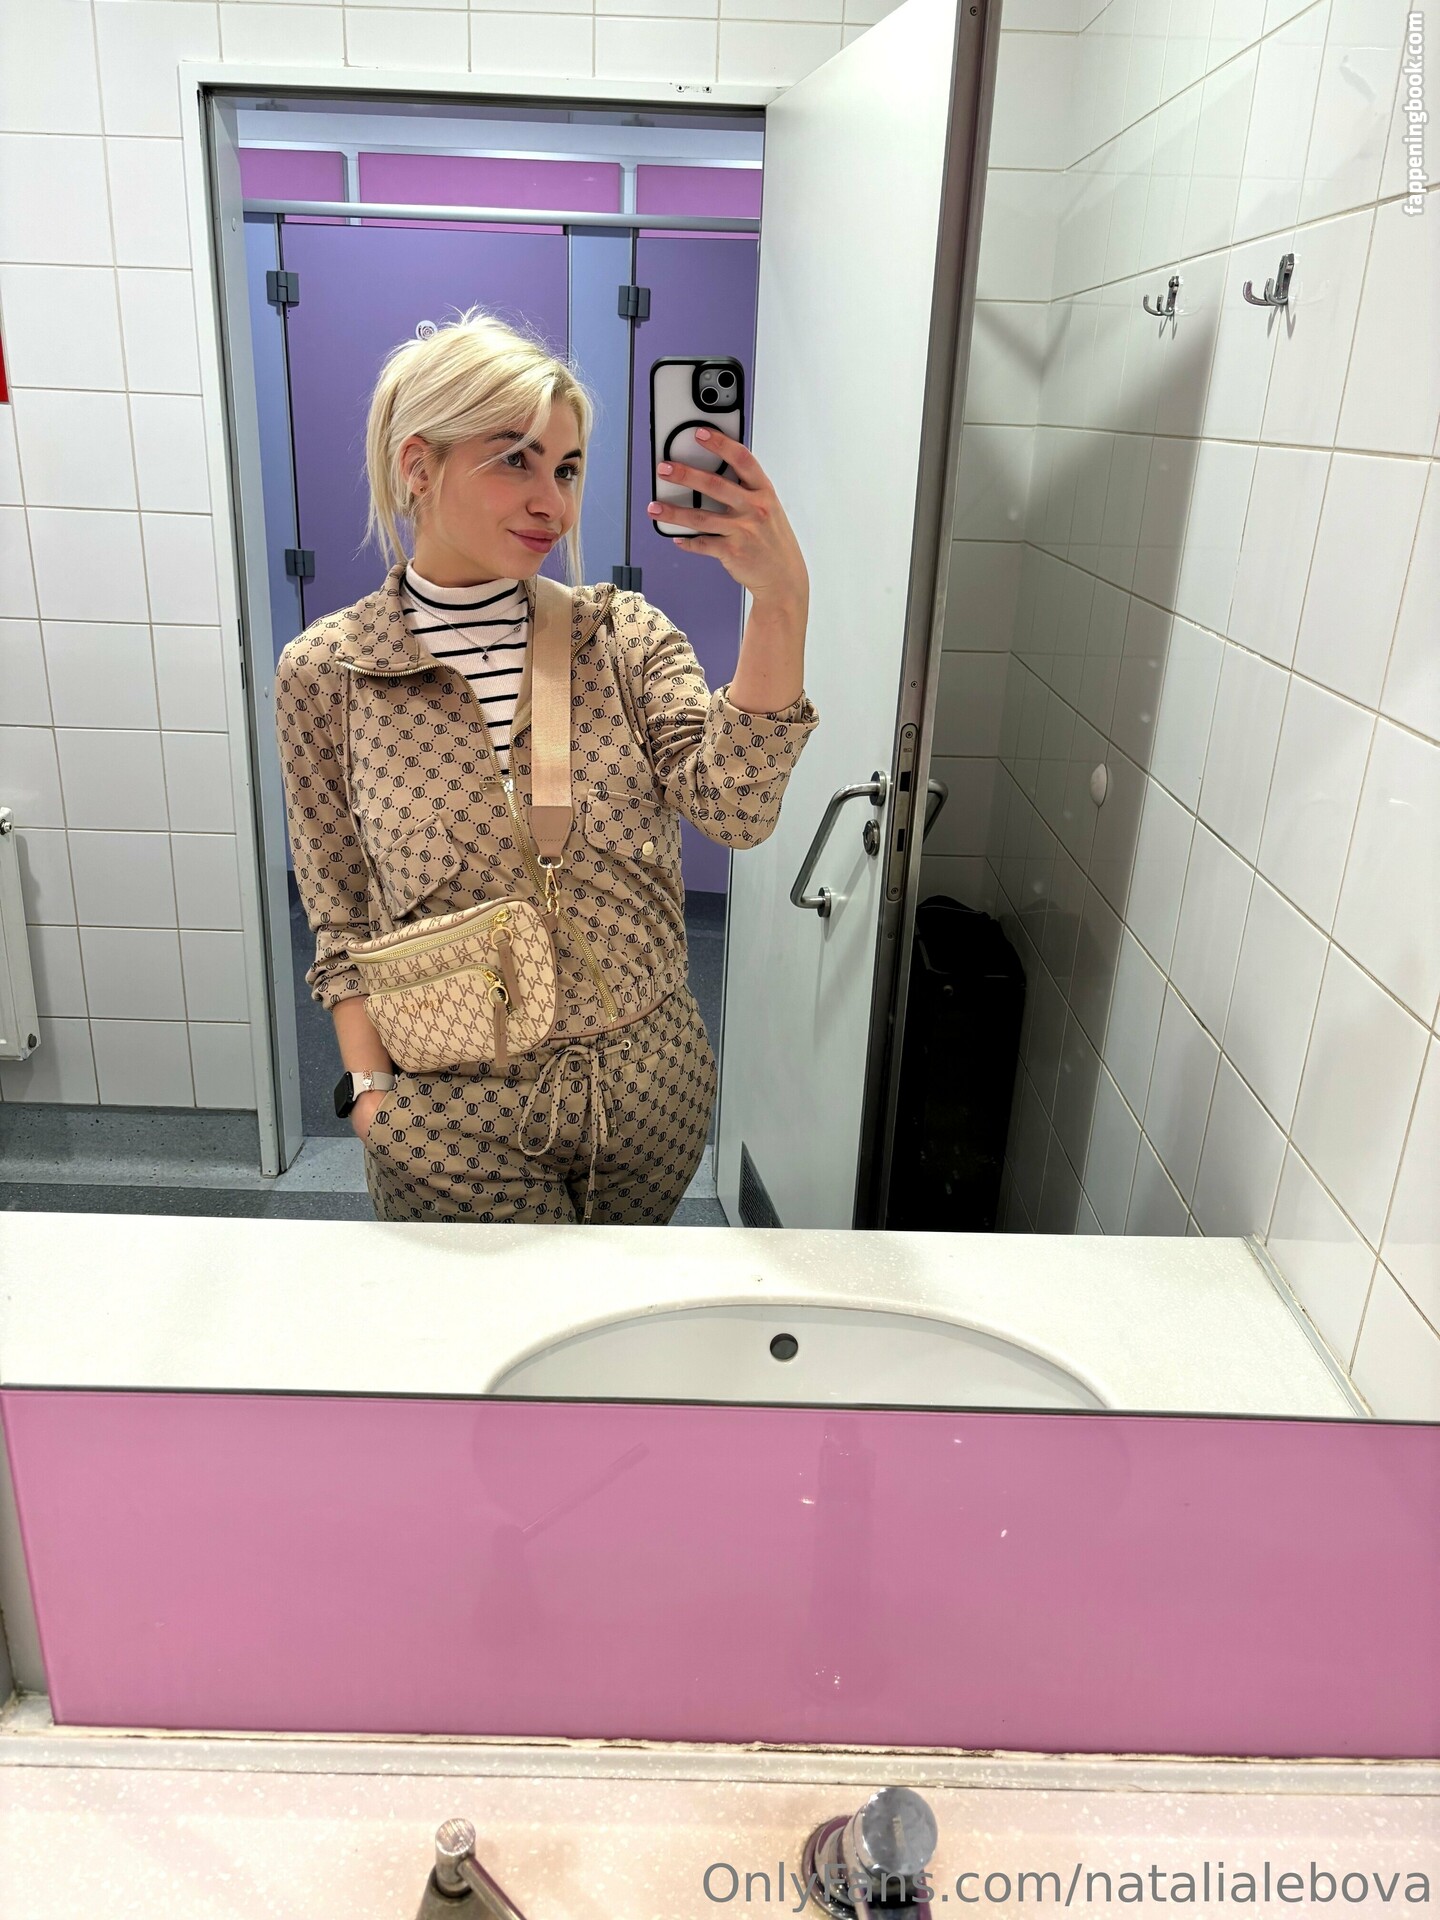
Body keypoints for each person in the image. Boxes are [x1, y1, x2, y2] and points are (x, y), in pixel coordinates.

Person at [274, 308, 819, 1224]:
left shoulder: (622, 638)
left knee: (626, 1317)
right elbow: (338, 910)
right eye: (514, 461)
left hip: (650, 1095)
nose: (553, 505)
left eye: (565, 469)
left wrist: (781, 601)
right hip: (453, 1113)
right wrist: (372, 1098)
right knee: (495, 1323)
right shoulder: (330, 674)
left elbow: (736, 811)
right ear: (419, 467)